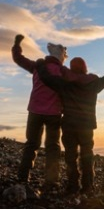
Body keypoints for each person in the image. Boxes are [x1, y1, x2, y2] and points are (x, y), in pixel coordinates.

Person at [36, 52, 104, 195]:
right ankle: (87, 186)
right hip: (86, 126)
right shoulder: (94, 83)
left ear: (71, 68)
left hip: (69, 125)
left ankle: (72, 185)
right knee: (87, 155)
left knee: (70, 157)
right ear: (85, 68)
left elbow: (46, 78)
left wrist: (41, 65)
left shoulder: (65, 83)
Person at [11, 34, 67, 190]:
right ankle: (51, 181)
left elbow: (18, 59)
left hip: (35, 111)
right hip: (54, 114)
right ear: (61, 56)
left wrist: (17, 44)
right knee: (53, 147)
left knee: (31, 144)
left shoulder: (37, 66)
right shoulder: (63, 71)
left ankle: (23, 177)